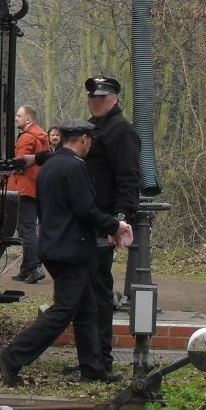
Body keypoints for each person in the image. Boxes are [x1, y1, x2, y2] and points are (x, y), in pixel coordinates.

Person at [0, 120, 132, 386]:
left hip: (54, 245)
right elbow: (85, 209)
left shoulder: (50, 165)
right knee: (64, 310)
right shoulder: (74, 167)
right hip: (72, 249)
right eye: (89, 140)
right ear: (83, 139)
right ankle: (12, 357)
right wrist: (115, 225)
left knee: (87, 308)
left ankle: (93, 370)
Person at [84, 74, 141, 372]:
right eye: (93, 97)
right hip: (89, 220)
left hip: (103, 221)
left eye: (103, 97)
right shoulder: (93, 128)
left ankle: (101, 360)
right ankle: (92, 357)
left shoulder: (121, 130)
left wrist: (118, 223)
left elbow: (129, 179)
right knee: (89, 291)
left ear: (115, 98)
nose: (97, 101)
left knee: (99, 292)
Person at [9, 105, 49, 284]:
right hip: (36, 187)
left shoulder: (26, 137)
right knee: (29, 228)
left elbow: (20, 163)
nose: (16, 118)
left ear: (28, 120)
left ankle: (33, 266)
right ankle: (26, 268)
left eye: (19, 116)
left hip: (24, 188)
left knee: (26, 230)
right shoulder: (41, 136)